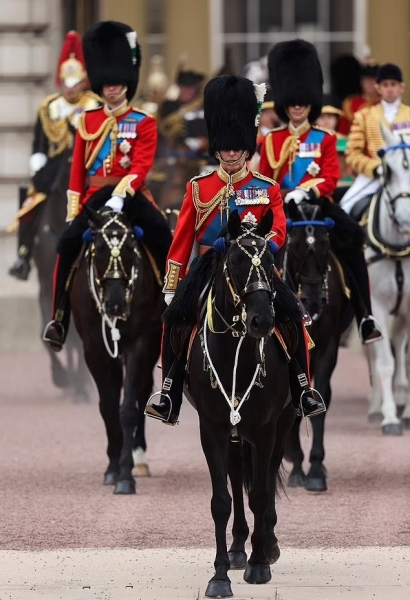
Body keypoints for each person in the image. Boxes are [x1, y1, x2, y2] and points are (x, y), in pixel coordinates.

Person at [145, 74, 326, 426]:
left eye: (237, 148)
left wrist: (263, 247)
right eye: (225, 148)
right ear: (217, 149)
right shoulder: (198, 187)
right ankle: (168, 394)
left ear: (246, 148)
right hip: (208, 265)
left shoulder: (265, 187)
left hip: (255, 263)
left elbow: (278, 228)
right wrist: (172, 283)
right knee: (175, 320)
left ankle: (303, 389)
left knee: (292, 316)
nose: (231, 153)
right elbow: (182, 238)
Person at [43, 20, 172, 351]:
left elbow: (141, 166)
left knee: (164, 237)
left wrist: (121, 194)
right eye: (107, 85)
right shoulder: (87, 121)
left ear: (127, 84)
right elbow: (77, 172)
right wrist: (75, 210)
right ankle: (59, 318)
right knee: (66, 246)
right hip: (94, 196)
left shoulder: (143, 122)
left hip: (131, 194)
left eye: (117, 84)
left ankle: (173, 312)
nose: (111, 89)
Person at [259, 39, 382, 345]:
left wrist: (307, 192)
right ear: (285, 104)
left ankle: (365, 316)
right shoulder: (271, 140)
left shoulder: (325, 138)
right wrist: (281, 196)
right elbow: (264, 179)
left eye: (302, 103)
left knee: (353, 242)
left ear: (310, 104)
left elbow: (330, 177)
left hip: (317, 206)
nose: (297, 107)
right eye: (292, 103)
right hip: (281, 207)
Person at [8, 31, 100, 280]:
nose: (70, 88)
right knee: (29, 202)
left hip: (87, 164)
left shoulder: (94, 105)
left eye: (75, 83)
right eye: (66, 83)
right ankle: (24, 255)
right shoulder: (49, 107)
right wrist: (37, 164)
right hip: (55, 167)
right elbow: (39, 142)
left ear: (84, 81)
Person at [342, 63, 410, 215]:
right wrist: (375, 168)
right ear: (378, 88)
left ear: (401, 88)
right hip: (374, 176)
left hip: (406, 175)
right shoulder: (364, 116)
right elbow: (352, 154)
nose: (390, 89)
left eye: (393, 84)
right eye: (385, 85)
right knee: (345, 207)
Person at [155, 69, 208, 209]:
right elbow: (163, 133)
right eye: (183, 88)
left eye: (189, 88)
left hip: (199, 159)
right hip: (172, 159)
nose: (185, 92)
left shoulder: (204, 108)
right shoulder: (168, 108)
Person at [315, 95, 354, 202]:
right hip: (317, 187)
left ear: (337, 119)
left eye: (330, 117)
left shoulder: (348, 141)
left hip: (345, 184)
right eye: (322, 117)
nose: (326, 121)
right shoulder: (310, 142)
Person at [337, 61, 380, 135]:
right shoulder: (350, 103)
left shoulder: (386, 103)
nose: (370, 83)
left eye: (373, 79)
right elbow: (342, 132)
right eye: (366, 79)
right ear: (361, 81)